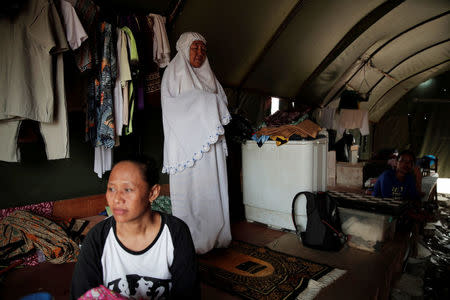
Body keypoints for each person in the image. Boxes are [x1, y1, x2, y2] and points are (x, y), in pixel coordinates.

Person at [70, 156, 199, 299]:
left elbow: (188, 295)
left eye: (128, 189)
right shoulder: (98, 237)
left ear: (152, 193)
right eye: (111, 189)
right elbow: (82, 295)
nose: (117, 199)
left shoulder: (175, 232)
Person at [160, 32, 232, 254]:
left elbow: (223, 102)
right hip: (185, 145)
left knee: (211, 189)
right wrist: (207, 102)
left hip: (210, 148)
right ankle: (190, 240)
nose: (200, 53)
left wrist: (210, 102)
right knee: (191, 192)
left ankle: (215, 236)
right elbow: (173, 106)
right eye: (195, 48)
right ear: (184, 49)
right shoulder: (174, 73)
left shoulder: (209, 76)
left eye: (203, 49)